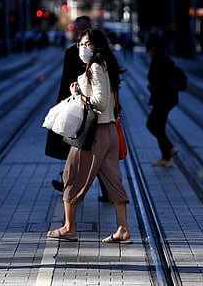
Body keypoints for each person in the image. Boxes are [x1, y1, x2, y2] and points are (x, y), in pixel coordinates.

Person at [46, 28, 131, 243]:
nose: (82, 48)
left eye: (87, 44)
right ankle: (123, 229)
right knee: (113, 179)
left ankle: (69, 227)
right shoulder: (104, 65)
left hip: (94, 134)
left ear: (97, 46)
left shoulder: (96, 66)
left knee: (71, 174)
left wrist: (79, 96)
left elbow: (100, 103)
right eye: (81, 44)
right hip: (109, 131)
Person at [44, 16, 109, 202]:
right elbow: (66, 81)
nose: (78, 34)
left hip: (87, 107)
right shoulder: (74, 52)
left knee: (85, 151)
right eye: (77, 30)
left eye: (82, 31)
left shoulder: (92, 55)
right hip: (77, 104)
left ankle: (71, 188)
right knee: (81, 151)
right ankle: (72, 186)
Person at [145, 35, 179, 167]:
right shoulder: (165, 58)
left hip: (163, 99)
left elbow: (160, 81)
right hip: (168, 99)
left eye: (148, 49)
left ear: (153, 48)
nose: (148, 52)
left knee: (152, 124)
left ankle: (170, 148)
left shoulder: (158, 60)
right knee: (159, 126)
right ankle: (166, 158)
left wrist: (151, 86)